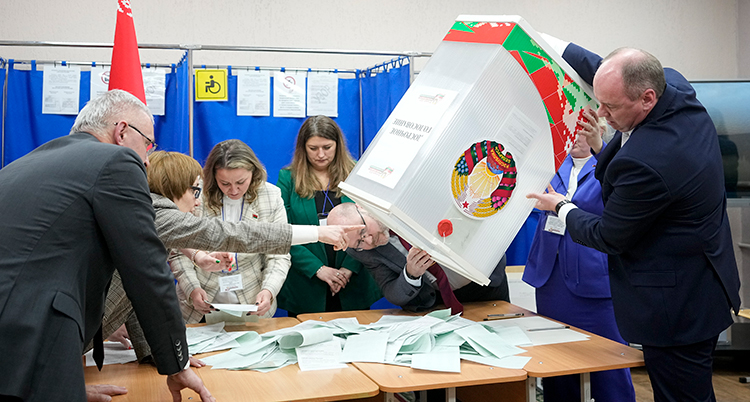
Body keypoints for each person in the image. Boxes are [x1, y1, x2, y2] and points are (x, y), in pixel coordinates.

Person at [527, 42, 741, 402]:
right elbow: (607, 69)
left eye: (609, 107)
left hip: (676, 310)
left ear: (646, 99)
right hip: (704, 286)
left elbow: (610, 236)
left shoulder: (649, 161)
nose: (601, 113)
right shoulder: (676, 88)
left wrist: (562, 207)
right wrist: (546, 41)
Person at [0, 90, 214, 402]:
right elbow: (145, 269)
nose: (146, 159)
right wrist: (176, 362)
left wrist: (63, 381)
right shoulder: (117, 160)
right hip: (30, 337)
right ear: (122, 131)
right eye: (148, 144)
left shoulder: (21, 166)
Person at [92, 149, 363, 370]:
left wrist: (157, 356)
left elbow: (141, 291)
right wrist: (319, 232)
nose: (198, 202)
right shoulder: (158, 212)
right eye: (195, 191)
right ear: (174, 188)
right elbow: (231, 234)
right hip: (86, 327)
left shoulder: (146, 210)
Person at [524, 124, 635, 402]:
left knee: (609, 367)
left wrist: (562, 206)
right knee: (557, 365)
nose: (574, 136)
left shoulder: (613, 166)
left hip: (596, 281)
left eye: (581, 129)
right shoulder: (549, 166)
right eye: (569, 129)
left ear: (599, 131)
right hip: (551, 280)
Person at [171, 140, 292, 322]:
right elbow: (178, 251)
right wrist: (192, 289)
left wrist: (269, 290)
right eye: (224, 183)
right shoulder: (197, 195)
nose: (233, 190)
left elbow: (279, 255)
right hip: (199, 302)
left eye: (241, 182)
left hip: (252, 298)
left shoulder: (271, 196)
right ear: (212, 177)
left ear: (254, 173)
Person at [277, 116, 381, 316]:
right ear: (303, 148)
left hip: (353, 277)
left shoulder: (355, 172)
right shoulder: (288, 178)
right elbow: (283, 232)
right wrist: (318, 269)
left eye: (327, 147)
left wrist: (348, 269)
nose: (321, 154)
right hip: (307, 282)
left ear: (337, 145)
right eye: (313, 148)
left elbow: (372, 225)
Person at [327, 203, 510, 312]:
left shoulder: (408, 203)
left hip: (483, 286)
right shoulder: (360, 251)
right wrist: (411, 275)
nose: (368, 241)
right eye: (359, 243)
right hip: (438, 302)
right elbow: (391, 292)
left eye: (363, 231)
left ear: (363, 208)